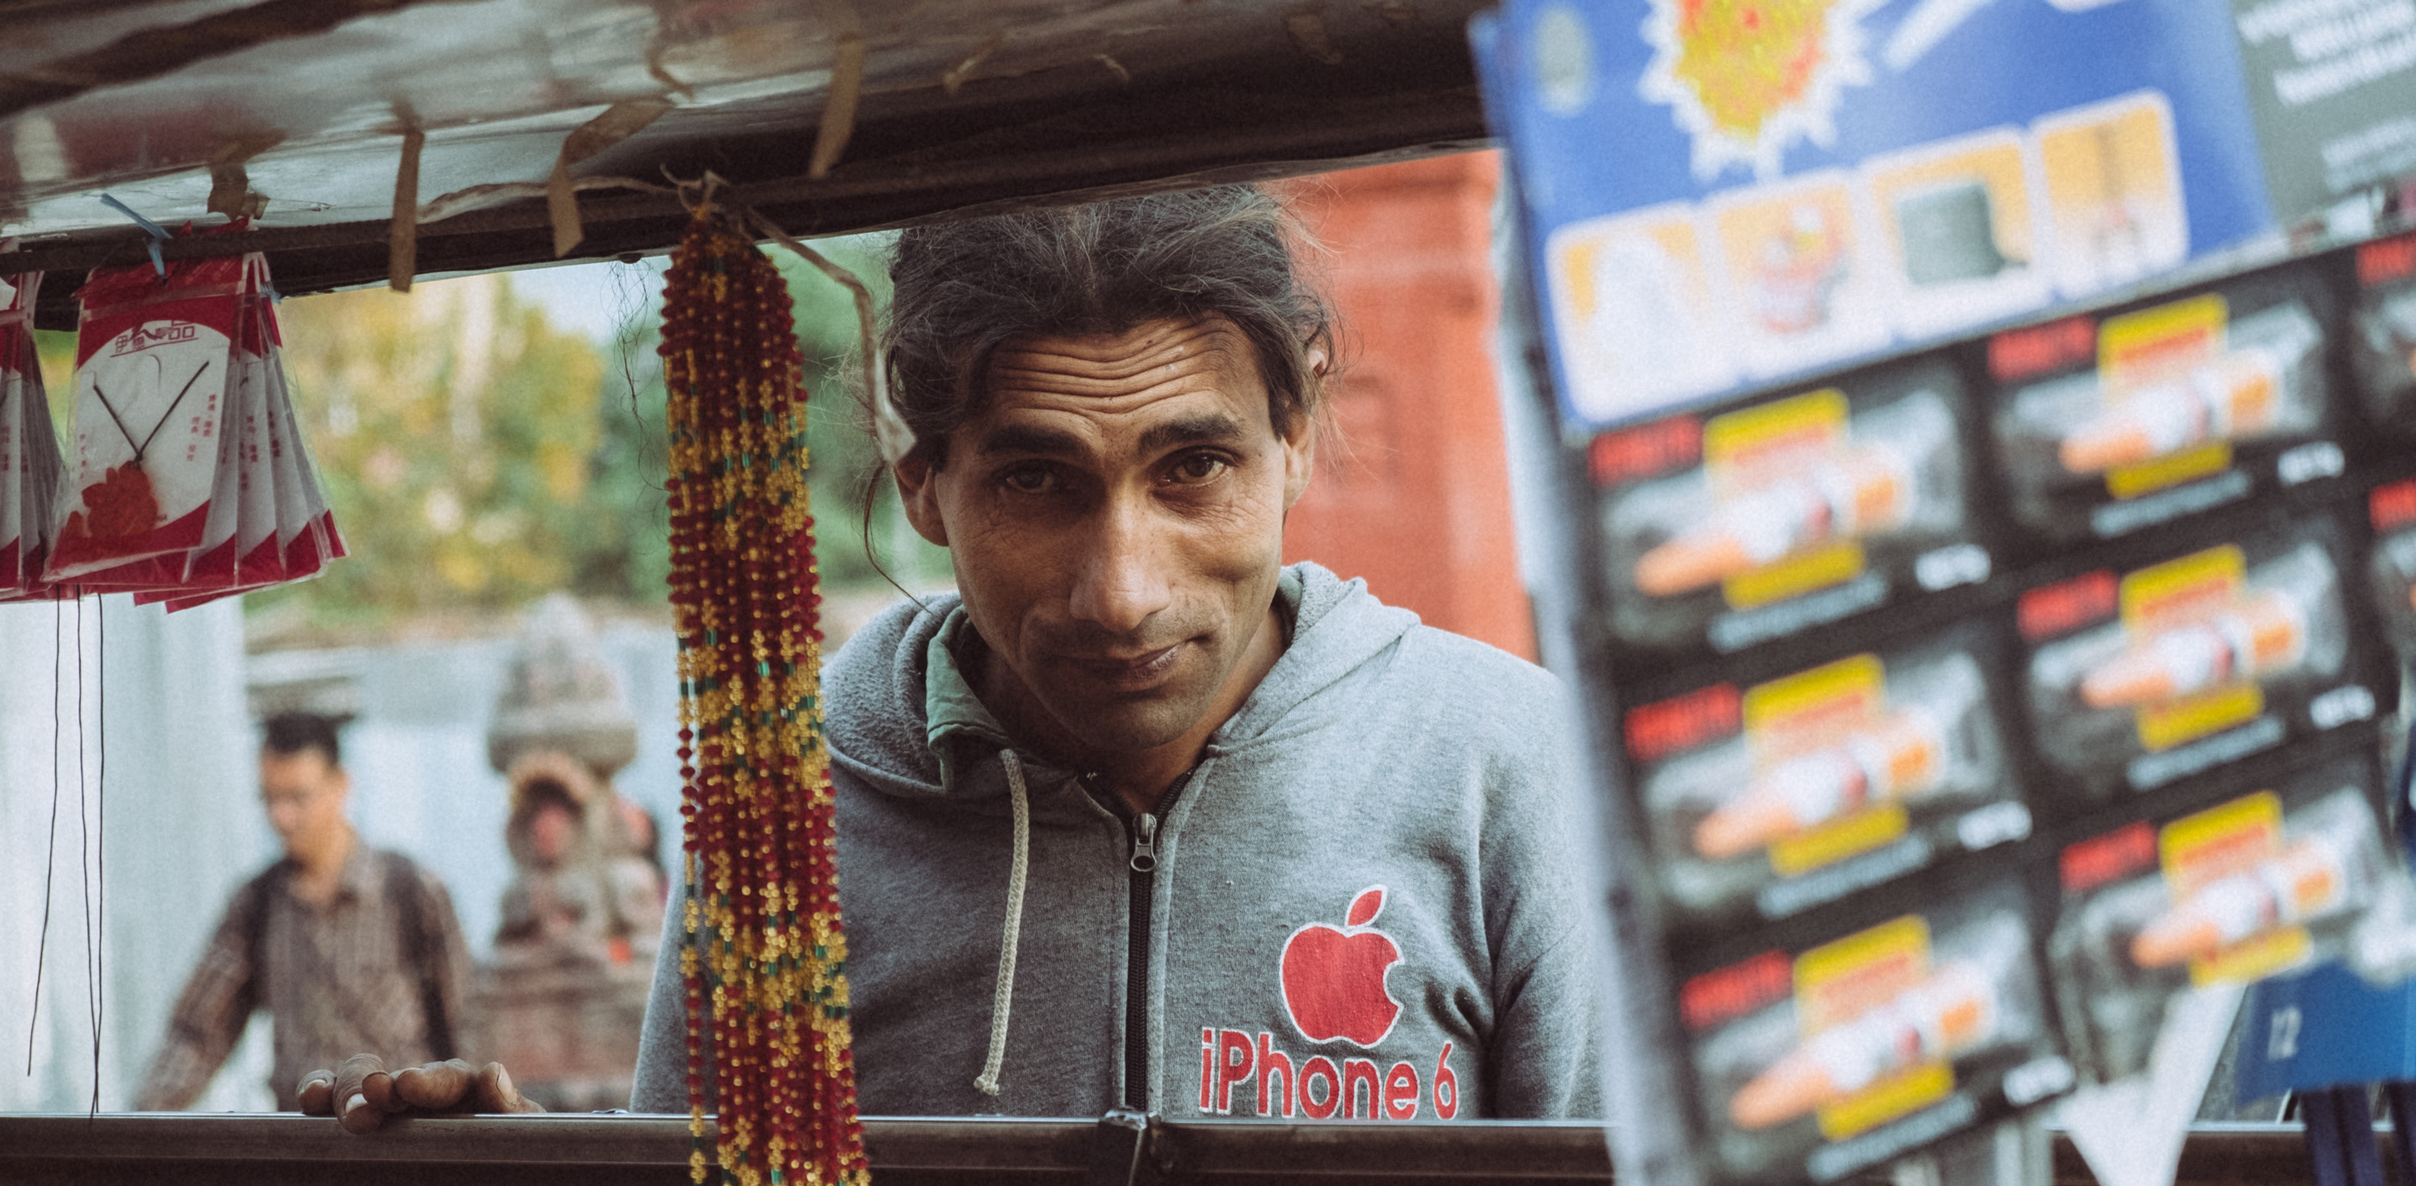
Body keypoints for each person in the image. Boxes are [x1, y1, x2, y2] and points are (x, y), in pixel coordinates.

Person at [304, 186, 1596, 1130]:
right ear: (922, 481)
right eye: (1038, 481)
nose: (1123, 591)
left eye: (1194, 468)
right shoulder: (790, 809)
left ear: (1296, 433)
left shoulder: (1502, 770)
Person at [138, 711, 480, 1112]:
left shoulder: (412, 892)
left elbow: (471, 1028)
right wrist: (130, 1136)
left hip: (404, 1149)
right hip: (302, 1149)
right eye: (269, 798)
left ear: (340, 787)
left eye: (297, 797)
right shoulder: (256, 905)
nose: (280, 817)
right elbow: (195, 1037)